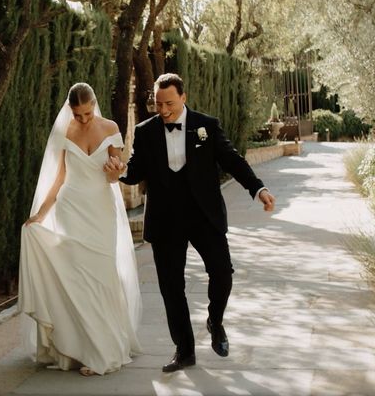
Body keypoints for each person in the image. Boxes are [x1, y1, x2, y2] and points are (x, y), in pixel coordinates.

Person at [104, 73, 275, 373]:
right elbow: (134, 171)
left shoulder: (206, 126)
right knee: (172, 288)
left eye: (169, 103)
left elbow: (232, 159)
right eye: (158, 104)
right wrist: (117, 171)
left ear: (183, 97)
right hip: (165, 219)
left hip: (203, 215)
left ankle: (215, 320)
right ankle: (184, 351)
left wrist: (258, 189)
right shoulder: (146, 132)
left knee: (222, 273)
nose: (164, 110)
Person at [18, 82, 142, 377]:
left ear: (94, 105)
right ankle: (79, 349)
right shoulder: (65, 131)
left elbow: (117, 173)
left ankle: (104, 347)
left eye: (86, 113)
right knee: (76, 280)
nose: (83, 119)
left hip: (100, 211)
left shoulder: (110, 127)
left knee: (101, 276)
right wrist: (39, 215)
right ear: (71, 110)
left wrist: (117, 172)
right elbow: (60, 177)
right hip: (70, 208)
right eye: (77, 114)